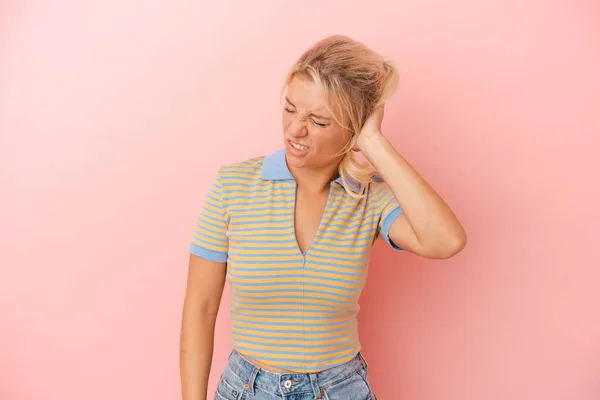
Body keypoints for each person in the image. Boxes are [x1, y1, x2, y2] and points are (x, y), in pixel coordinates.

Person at [180, 34, 467, 400]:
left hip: (339, 390)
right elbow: (200, 309)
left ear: (352, 129)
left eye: (318, 121)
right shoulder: (233, 186)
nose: (295, 130)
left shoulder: (369, 197)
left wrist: (374, 143)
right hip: (246, 389)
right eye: (289, 109)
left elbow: (446, 241)